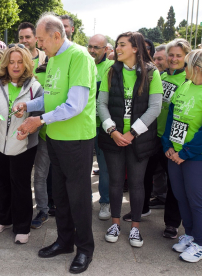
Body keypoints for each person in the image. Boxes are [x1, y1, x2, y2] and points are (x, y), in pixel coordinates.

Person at [13, 13, 97, 273]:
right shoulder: (53, 58)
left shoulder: (79, 57)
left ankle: (85, 249)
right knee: (59, 195)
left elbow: (75, 105)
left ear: (57, 35)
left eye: (40, 40)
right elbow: (50, 98)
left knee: (78, 197)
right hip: (56, 138)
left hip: (77, 139)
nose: (38, 45)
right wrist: (29, 104)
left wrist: (38, 121)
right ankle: (65, 241)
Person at [98, 32, 163, 248]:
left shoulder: (152, 73)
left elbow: (155, 108)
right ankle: (115, 223)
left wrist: (131, 133)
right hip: (113, 138)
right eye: (116, 44)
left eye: (122, 45)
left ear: (136, 48)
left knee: (136, 184)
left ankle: (135, 228)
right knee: (115, 183)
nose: (117, 48)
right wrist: (113, 131)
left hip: (139, 139)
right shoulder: (110, 70)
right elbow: (101, 104)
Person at [0, 45, 43, 244]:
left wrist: (29, 126)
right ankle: (4, 218)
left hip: (23, 144)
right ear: (6, 64)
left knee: (20, 185)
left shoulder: (35, 86)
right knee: (1, 183)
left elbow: (40, 113)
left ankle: (22, 226)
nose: (15, 66)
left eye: (20, 62)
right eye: (11, 62)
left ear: (26, 63)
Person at [137, 39, 190, 239]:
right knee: (144, 175)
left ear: (186, 57)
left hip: (173, 141)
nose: (173, 59)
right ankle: (141, 209)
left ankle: (172, 223)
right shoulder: (161, 75)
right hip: (153, 135)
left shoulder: (189, 78)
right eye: (171, 55)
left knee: (173, 185)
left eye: (178, 55)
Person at [161, 49, 202, 263]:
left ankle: (200, 242)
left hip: (194, 157)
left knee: (197, 200)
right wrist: (168, 144)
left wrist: (185, 153)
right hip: (175, 153)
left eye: (186, 65)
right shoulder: (185, 85)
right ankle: (191, 234)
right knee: (181, 196)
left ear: (196, 68)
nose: (181, 67)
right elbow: (172, 117)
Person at [17, 21, 49, 228]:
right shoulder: (16, 63)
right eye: (21, 38)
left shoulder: (48, 61)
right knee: (24, 173)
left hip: (47, 128)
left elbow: (50, 98)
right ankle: (23, 210)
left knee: (42, 174)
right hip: (24, 129)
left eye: (28, 37)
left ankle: (44, 209)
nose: (24, 41)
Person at [87, 34, 114, 220]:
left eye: (97, 47)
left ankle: (105, 202)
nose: (92, 50)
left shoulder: (111, 67)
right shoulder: (83, 63)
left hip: (103, 127)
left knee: (104, 168)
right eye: (90, 46)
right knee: (83, 167)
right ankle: (85, 199)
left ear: (106, 50)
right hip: (85, 125)